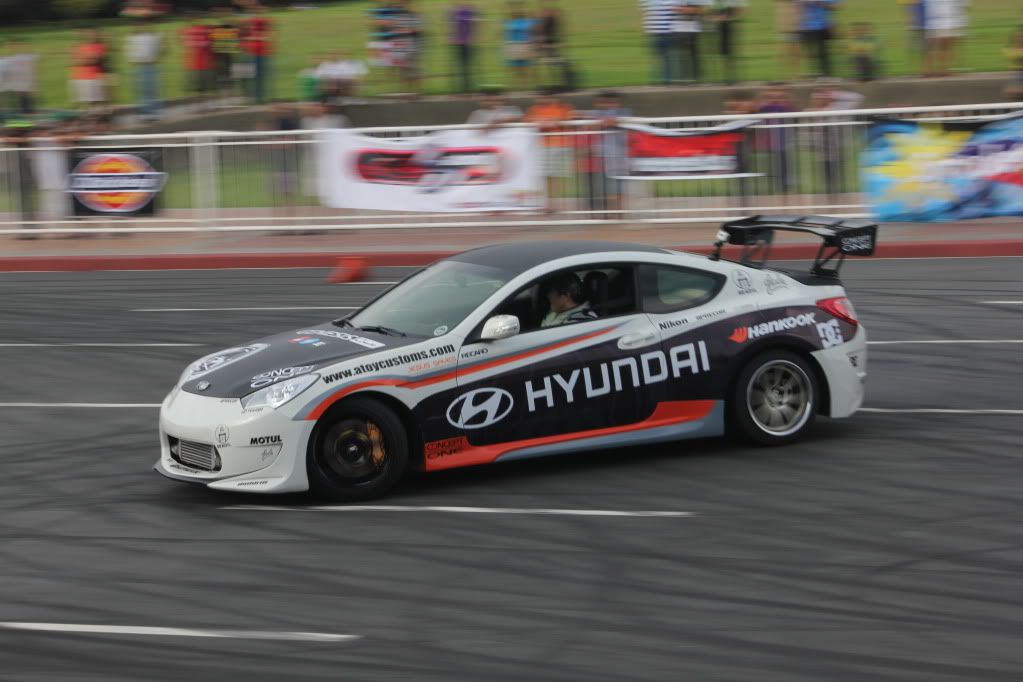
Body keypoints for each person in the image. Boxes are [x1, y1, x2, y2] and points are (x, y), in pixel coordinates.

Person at [524, 89, 575, 212]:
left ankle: (555, 203)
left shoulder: (563, 108)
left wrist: (549, 123)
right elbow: (527, 123)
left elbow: (568, 121)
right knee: (545, 177)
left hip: (560, 146)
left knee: (557, 176)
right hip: (541, 147)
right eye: (541, 97)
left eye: (547, 97)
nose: (544, 99)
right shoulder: (534, 109)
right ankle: (547, 203)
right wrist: (547, 122)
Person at [584, 90, 631, 217]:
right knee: (605, 184)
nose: (609, 104)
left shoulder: (625, 112)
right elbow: (589, 125)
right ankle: (610, 211)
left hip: (620, 153)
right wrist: (601, 122)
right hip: (602, 155)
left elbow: (617, 122)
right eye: (606, 102)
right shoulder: (595, 113)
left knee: (619, 183)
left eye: (612, 102)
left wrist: (607, 122)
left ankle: (619, 211)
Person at [126, 18, 163, 119]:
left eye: (149, 25)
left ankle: (154, 112)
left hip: (151, 66)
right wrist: (133, 60)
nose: (146, 27)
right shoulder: (134, 37)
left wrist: (156, 57)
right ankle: (144, 112)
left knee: (152, 90)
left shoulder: (155, 36)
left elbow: (160, 51)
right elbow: (131, 52)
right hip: (139, 66)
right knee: (141, 90)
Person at [240, 1, 274, 103]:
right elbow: (244, 35)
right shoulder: (248, 21)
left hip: (261, 52)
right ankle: (252, 97)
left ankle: (259, 97)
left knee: (260, 75)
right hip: (251, 52)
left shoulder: (263, 20)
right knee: (251, 75)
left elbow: (267, 34)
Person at [924, 0, 968, 77]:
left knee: (940, 47)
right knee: (942, 47)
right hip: (940, 21)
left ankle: (940, 69)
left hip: (941, 21)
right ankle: (939, 69)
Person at [640, 0, 678, 85]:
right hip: (654, 31)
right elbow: (645, 13)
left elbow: (674, 12)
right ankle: (658, 79)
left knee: (666, 56)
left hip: (667, 31)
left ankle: (666, 79)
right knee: (657, 56)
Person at [799, 0, 839, 79]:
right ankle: (814, 74)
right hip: (806, 26)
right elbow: (798, 4)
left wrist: (821, 4)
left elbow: (836, 6)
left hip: (823, 26)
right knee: (810, 53)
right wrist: (807, 2)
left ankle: (826, 74)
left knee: (823, 52)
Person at [69, 30, 107, 110]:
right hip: (79, 77)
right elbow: (73, 61)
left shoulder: (97, 46)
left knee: (95, 102)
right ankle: (86, 114)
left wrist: (82, 61)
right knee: (82, 103)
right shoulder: (75, 48)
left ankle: (96, 115)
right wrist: (88, 59)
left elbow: (97, 60)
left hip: (93, 77)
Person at [710, 0, 745, 85]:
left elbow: (737, 12)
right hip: (721, 29)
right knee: (724, 53)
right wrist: (716, 18)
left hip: (729, 28)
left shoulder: (730, 4)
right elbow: (712, 15)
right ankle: (727, 78)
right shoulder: (718, 4)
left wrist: (727, 18)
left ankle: (733, 78)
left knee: (730, 53)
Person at [673, 0, 708, 83]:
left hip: (693, 28)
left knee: (693, 52)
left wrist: (684, 10)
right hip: (680, 29)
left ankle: (696, 76)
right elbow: (674, 8)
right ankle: (684, 76)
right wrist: (688, 10)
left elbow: (701, 10)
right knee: (682, 53)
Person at [504, 1, 536, 91]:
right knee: (516, 66)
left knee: (524, 65)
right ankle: (520, 83)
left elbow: (530, 28)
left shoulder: (525, 22)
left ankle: (524, 83)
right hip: (514, 46)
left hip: (523, 45)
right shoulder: (510, 22)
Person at [181, 16, 214, 99]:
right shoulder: (204, 29)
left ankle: (198, 93)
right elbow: (210, 42)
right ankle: (201, 92)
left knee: (197, 77)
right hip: (200, 61)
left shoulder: (188, 30)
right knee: (200, 77)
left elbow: (183, 42)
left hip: (196, 61)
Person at [449, 2, 479, 94]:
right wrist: (451, 37)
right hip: (459, 43)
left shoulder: (469, 11)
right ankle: (462, 89)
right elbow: (452, 26)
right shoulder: (455, 12)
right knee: (460, 67)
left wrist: (474, 36)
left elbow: (474, 25)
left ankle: (468, 89)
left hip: (468, 43)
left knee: (467, 67)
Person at [775, 0, 801, 79]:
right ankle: (786, 74)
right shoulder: (782, 4)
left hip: (796, 28)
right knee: (785, 53)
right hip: (785, 29)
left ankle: (795, 74)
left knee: (796, 53)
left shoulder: (796, 3)